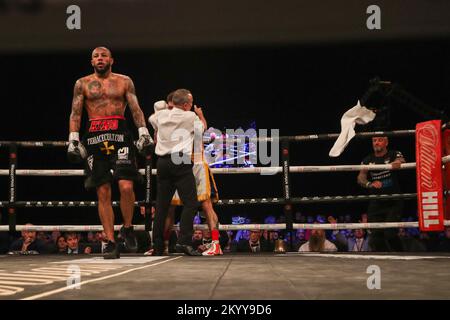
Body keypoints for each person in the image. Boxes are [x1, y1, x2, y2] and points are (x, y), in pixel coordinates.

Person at [67, 47, 153, 259]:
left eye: (104, 55)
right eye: (96, 56)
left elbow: (135, 109)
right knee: (103, 191)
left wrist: (143, 132)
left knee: (126, 186)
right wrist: (73, 139)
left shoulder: (124, 81)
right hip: (94, 136)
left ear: (111, 60)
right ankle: (111, 242)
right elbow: (76, 112)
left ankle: (128, 227)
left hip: (120, 134)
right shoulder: (82, 83)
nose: (100, 59)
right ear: (91, 61)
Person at [149, 92, 222, 256]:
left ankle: (215, 243)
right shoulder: (190, 117)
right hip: (183, 162)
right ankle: (173, 244)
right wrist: (200, 115)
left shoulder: (161, 116)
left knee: (200, 205)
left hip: (187, 162)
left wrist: (161, 111)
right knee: (175, 207)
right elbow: (202, 126)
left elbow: (153, 122)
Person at [357, 136, 405, 252]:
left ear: (386, 142)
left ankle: (401, 256)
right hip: (376, 203)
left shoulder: (394, 154)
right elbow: (360, 177)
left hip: (393, 201)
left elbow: (401, 160)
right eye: (374, 140)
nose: (376, 143)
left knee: (390, 233)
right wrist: (369, 184)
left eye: (380, 140)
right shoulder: (368, 159)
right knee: (375, 237)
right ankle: (385, 260)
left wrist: (397, 163)